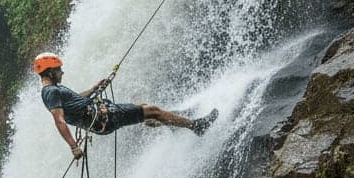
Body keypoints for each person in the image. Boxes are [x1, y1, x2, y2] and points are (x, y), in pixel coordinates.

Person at [34, 53, 218, 160]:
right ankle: (196, 126)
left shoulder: (53, 91)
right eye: (59, 70)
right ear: (50, 71)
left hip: (101, 116)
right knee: (152, 110)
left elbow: (74, 101)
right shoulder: (51, 92)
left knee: (144, 108)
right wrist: (73, 147)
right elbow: (59, 120)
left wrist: (93, 89)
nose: (62, 72)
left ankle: (173, 123)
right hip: (102, 119)